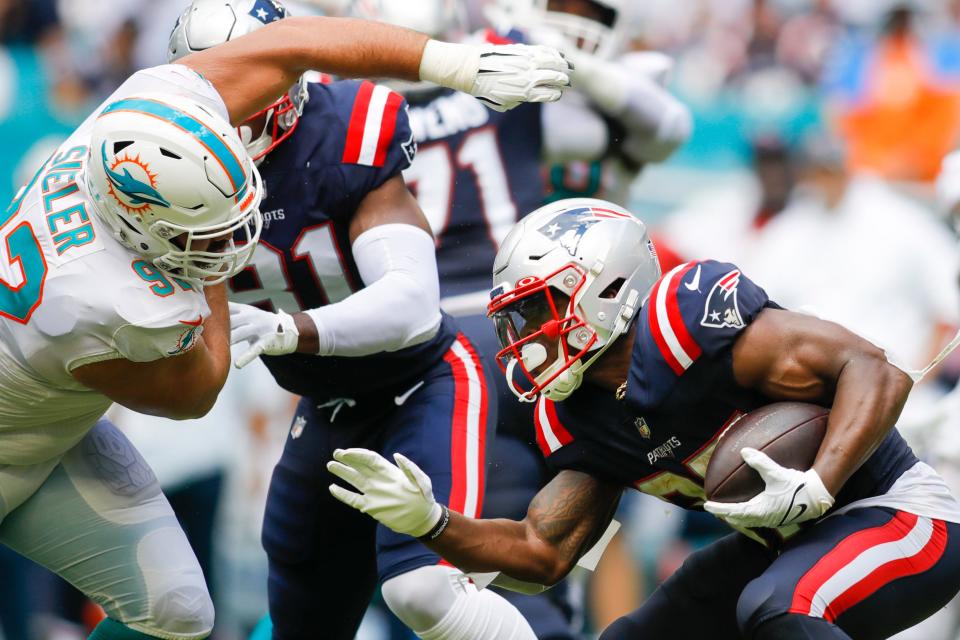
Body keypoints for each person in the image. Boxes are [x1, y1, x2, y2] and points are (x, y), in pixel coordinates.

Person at [0, 4, 571, 639]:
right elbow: (196, 391)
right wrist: (213, 266)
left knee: (199, 612)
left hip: (407, 379)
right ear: (146, 234)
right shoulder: (108, 301)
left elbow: (298, 42)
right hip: (27, 425)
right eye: (206, 237)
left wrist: (455, 63)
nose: (234, 235)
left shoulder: (158, 105)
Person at [327, 197, 960, 639]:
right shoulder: (575, 416)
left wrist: (820, 480)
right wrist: (433, 523)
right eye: (517, 322)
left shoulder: (685, 325)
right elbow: (543, 554)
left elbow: (877, 368)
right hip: (788, 543)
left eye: (539, 310)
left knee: (780, 606)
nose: (529, 339)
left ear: (606, 285)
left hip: (901, 515)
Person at [346, 1, 690, 636]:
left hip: (598, 329)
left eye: (588, 10)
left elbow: (666, 128)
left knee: (600, 518)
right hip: (508, 327)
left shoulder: (603, 85)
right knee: (502, 522)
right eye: (559, 5)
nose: (573, 17)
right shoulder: (494, 84)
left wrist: (568, 67)